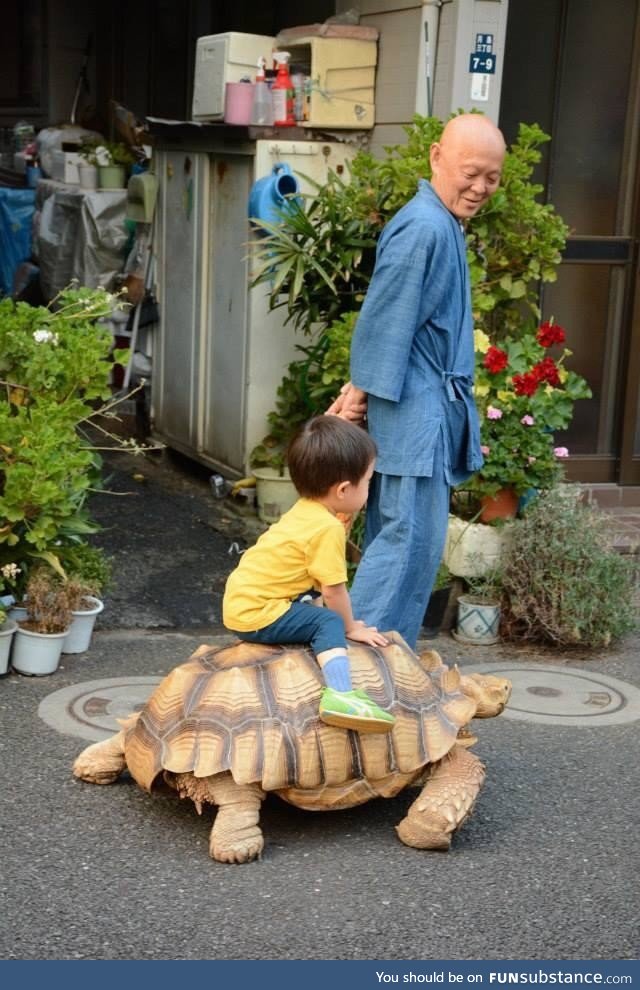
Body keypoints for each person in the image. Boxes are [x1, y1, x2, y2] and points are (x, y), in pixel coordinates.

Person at [327, 113, 507, 650]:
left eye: (491, 178)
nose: (479, 187)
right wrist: (358, 393)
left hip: (421, 408)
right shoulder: (425, 225)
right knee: (405, 539)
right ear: (436, 156)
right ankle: (360, 662)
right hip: (413, 411)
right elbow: (386, 319)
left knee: (411, 540)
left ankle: (383, 663)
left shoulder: (441, 222)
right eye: (471, 172)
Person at [223, 415, 395, 733]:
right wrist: (351, 627)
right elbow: (333, 591)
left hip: (244, 602)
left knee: (313, 605)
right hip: (258, 612)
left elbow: (312, 584)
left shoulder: (305, 509)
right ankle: (341, 694)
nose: (371, 488)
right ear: (343, 489)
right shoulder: (326, 528)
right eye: (369, 481)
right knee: (330, 621)